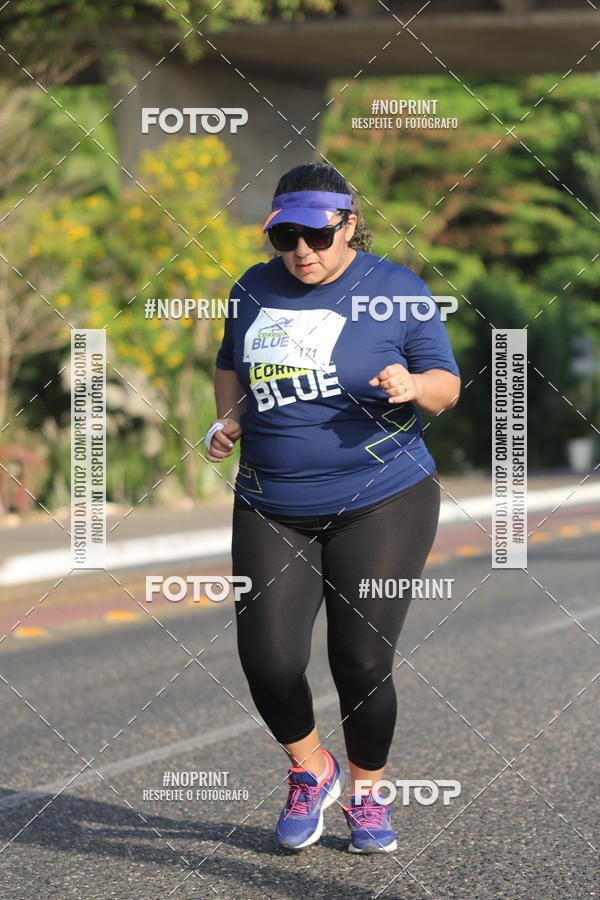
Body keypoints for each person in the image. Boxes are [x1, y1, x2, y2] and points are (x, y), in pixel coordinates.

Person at [206, 162, 460, 854]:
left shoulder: (396, 289)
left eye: (317, 236)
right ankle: (311, 768)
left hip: (383, 498)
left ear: (349, 225)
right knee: (268, 660)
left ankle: (369, 794)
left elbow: (447, 385)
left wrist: (413, 386)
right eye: (285, 238)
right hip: (271, 502)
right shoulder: (252, 289)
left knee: (361, 660)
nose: (302, 251)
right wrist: (228, 420)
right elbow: (229, 363)